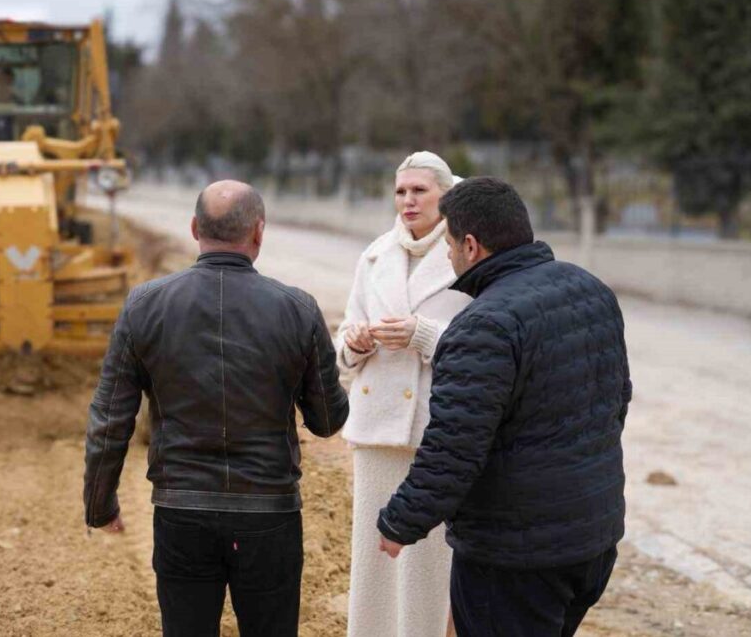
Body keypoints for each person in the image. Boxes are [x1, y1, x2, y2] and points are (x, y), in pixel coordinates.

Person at [83, 180, 349, 637]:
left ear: (193, 229)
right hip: (270, 513)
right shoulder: (299, 309)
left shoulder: (144, 305)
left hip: (181, 511)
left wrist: (99, 503)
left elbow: (110, 420)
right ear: (259, 232)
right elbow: (327, 422)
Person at [377, 177, 632, 637]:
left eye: (450, 244)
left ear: (471, 246)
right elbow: (617, 404)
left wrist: (400, 520)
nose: (449, 256)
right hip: (593, 539)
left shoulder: (482, 326)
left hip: (517, 559)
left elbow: (454, 448)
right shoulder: (590, 288)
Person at [336, 151, 471, 637]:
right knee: (372, 562)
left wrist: (422, 335)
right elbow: (346, 337)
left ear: (445, 195)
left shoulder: (467, 255)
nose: (408, 201)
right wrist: (353, 343)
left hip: (437, 431)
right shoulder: (374, 255)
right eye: (400, 191)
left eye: (419, 191)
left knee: (429, 564)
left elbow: (485, 345)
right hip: (375, 431)